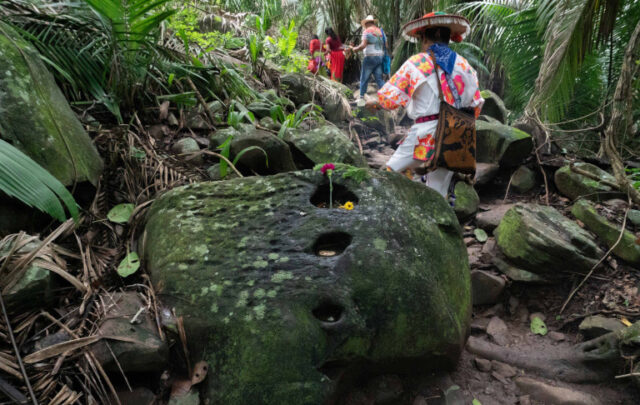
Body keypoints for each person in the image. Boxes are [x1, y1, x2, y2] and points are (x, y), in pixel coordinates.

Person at [365, 12, 484, 199]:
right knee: (437, 193)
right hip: (455, 138)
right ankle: (438, 224)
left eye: (422, 37)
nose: (421, 43)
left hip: (425, 136)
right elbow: (476, 105)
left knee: (390, 172)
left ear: (435, 34)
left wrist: (376, 103)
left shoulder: (418, 62)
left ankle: (385, 214)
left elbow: (390, 99)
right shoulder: (465, 66)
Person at [350, 15, 386, 104]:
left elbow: (363, 45)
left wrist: (355, 49)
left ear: (366, 23)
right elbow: (386, 44)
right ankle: (387, 96)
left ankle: (361, 99)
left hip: (370, 57)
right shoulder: (380, 31)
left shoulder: (367, 31)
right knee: (379, 79)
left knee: (364, 79)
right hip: (379, 57)